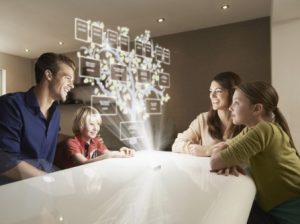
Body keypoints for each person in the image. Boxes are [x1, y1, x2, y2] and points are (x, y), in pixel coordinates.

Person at [210, 81, 300, 224]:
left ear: (257, 109)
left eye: (236, 103)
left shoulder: (264, 130)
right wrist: (229, 158)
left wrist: (228, 159)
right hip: (276, 209)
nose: (230, 108)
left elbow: (215, 162)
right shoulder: (251, 129)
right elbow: (219, 148)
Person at [0, 52, 75, 183]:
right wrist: (48, 180)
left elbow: (51, 136)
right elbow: (5, 161)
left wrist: (78, 139)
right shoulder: (11, 105)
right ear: (49, 75)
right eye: (67, 78)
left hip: (41, 191)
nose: (72, 85)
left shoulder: (55, 110)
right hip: (11, 193)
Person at [172, 71, 242, 157]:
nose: (212, 95)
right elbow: (177, 145)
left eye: (218, 91)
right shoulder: (203, 119)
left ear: (233, 93)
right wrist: (206, 151)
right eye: (211, 91)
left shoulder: (246, 121)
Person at [59, 106, 135, 169]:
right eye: (91, 124)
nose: (96, 128)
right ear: (80, 125)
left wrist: (123, 151)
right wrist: (111, 155)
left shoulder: (96, 141)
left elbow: (108, 153)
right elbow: (84, 162)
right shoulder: (72, 143)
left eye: (98, 124)